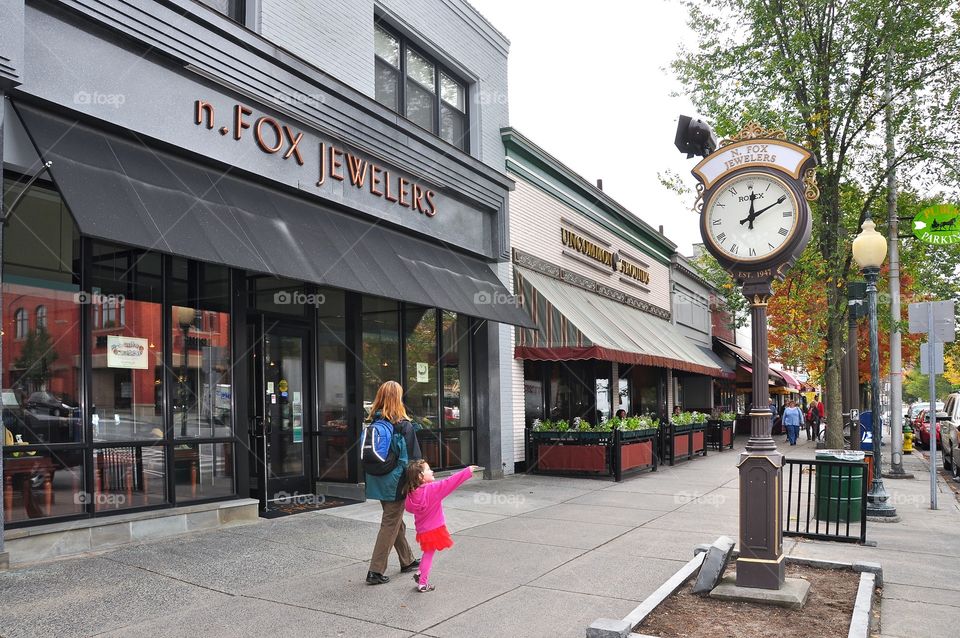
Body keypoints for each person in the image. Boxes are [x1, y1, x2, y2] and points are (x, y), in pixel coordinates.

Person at [364, 381, 422, 586]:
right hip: (395, 481)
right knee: (390, 522)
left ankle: (407, 560)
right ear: (397, 399)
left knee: (395, 520)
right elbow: (412, 461)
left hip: (376, 479)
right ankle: (375, 571)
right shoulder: (403, 425)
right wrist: (414, 483)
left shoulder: (374, 423)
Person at [403, 460, 478, 592]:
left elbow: (408, 508)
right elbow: (450, 482)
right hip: (434, 529)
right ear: (420, 476)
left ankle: (420, 573)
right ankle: (423, 583)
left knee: (427, 552)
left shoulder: (411, 494)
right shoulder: (432, 490)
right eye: (428, 470)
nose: (432, 471)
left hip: (422, 530)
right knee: (428, 555)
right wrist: (467, 471)